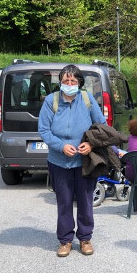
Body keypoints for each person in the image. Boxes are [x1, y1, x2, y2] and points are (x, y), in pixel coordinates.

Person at [38, 64, 106, 257]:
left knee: (85, 201)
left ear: (79, 83)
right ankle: (65, 240)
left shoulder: (87, 99)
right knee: (64, 202)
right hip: (59, 162)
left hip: (84, 161)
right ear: (60, 82)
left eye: (73, 81)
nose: (69, 84)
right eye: (65, 81)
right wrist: (61, 146)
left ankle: (85, 238)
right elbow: (44, 130)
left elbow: (101, 125)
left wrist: (91, 145)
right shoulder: (51, 100)